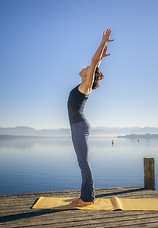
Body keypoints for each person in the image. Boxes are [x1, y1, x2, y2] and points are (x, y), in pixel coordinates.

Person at [67, 29, 114, 207]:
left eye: (87, 68)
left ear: (89, 75)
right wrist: (101, 55)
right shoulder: (83, 84)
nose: (84, 67)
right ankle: (86, 196)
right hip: (77, 126)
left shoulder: (86, 86)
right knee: (82, 162)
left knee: (83, 162)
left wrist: (102, 43)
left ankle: (87, 198)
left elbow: (93, 64)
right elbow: (95, 64)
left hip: (79, 126)